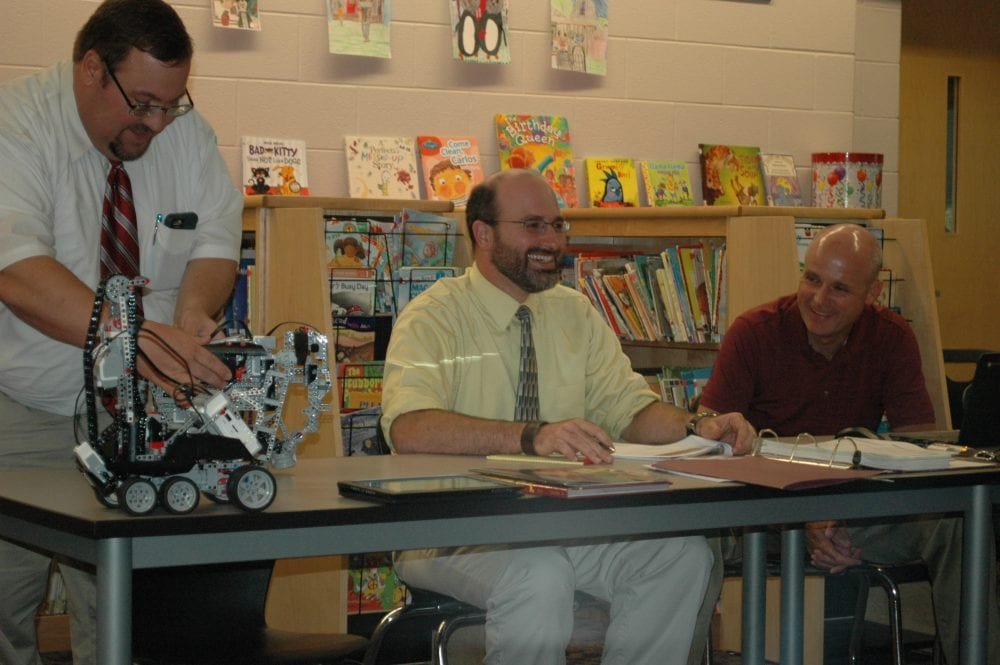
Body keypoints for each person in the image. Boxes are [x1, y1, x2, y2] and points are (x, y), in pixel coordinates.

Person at [380, 168, 756, 665]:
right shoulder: (434, 316)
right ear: (483, 233)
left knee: (680, 556)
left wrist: (696, 426)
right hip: (453, 529)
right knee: (540, 571)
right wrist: (532, 437)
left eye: (558, 226)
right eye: (533, 225)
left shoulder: (575, 313)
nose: (552, 241)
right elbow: (410, 428)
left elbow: (630, 410)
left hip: (561, 522)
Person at [0, 1, 243, 663]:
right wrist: (136, 341)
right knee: (4, 617)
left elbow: (215, 242)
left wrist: (192, 314)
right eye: (142, 103)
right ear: (89, 69)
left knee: (126, 626)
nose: (157, 124)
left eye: (173, 104)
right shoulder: (16, 124)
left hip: (139, 418)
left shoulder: (184, 134)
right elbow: (19, 274)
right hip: (20, 406)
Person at [695, 223, 999, 665]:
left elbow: (915, 451)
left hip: (854, 512)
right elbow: (711, 447)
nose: (818, 300)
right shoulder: (753, 333)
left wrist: (840, 514)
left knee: (957, 522)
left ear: (873, 293)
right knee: (690, 537)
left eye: (839, 288)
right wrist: (805, 514)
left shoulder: (892, 338)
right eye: (811, 279)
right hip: (762, 513)